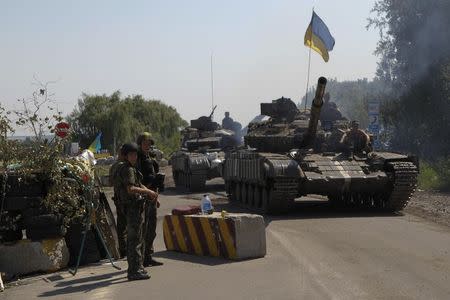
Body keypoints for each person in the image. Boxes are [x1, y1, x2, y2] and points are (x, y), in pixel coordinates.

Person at [117, 142, 158, 280]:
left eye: (135, 154)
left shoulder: (131, 168)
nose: (134, 157)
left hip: (135, 207)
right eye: (131, 155)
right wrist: (148, 192)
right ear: (125, 156)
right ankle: (134, 271)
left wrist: (150, 193)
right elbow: (131, 189)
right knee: (134, 241)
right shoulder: (127, 169)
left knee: (137, 239)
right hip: (132, 208)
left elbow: (138, 184)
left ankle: (138, 268)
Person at [136, 132, 163, 267]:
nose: (147, 146)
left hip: (151, 197)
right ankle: (140, 259)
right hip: (143, 197)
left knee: (151, 230)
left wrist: (155, 197)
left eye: (149, 144)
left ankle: (148, 256)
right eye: (144, 143)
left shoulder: (149, 158)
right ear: (140, 144)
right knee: (143, 230)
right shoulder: (138, 159)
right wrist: (149, 189)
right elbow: (137, 182)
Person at [109, 145, 127, 258]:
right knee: (129, 225)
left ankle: (123, 249)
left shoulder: (113, 166)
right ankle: (127, 249)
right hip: (125, 198)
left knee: (121, 225)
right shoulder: (124, 166)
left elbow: (110, 183)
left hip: (118, 198)